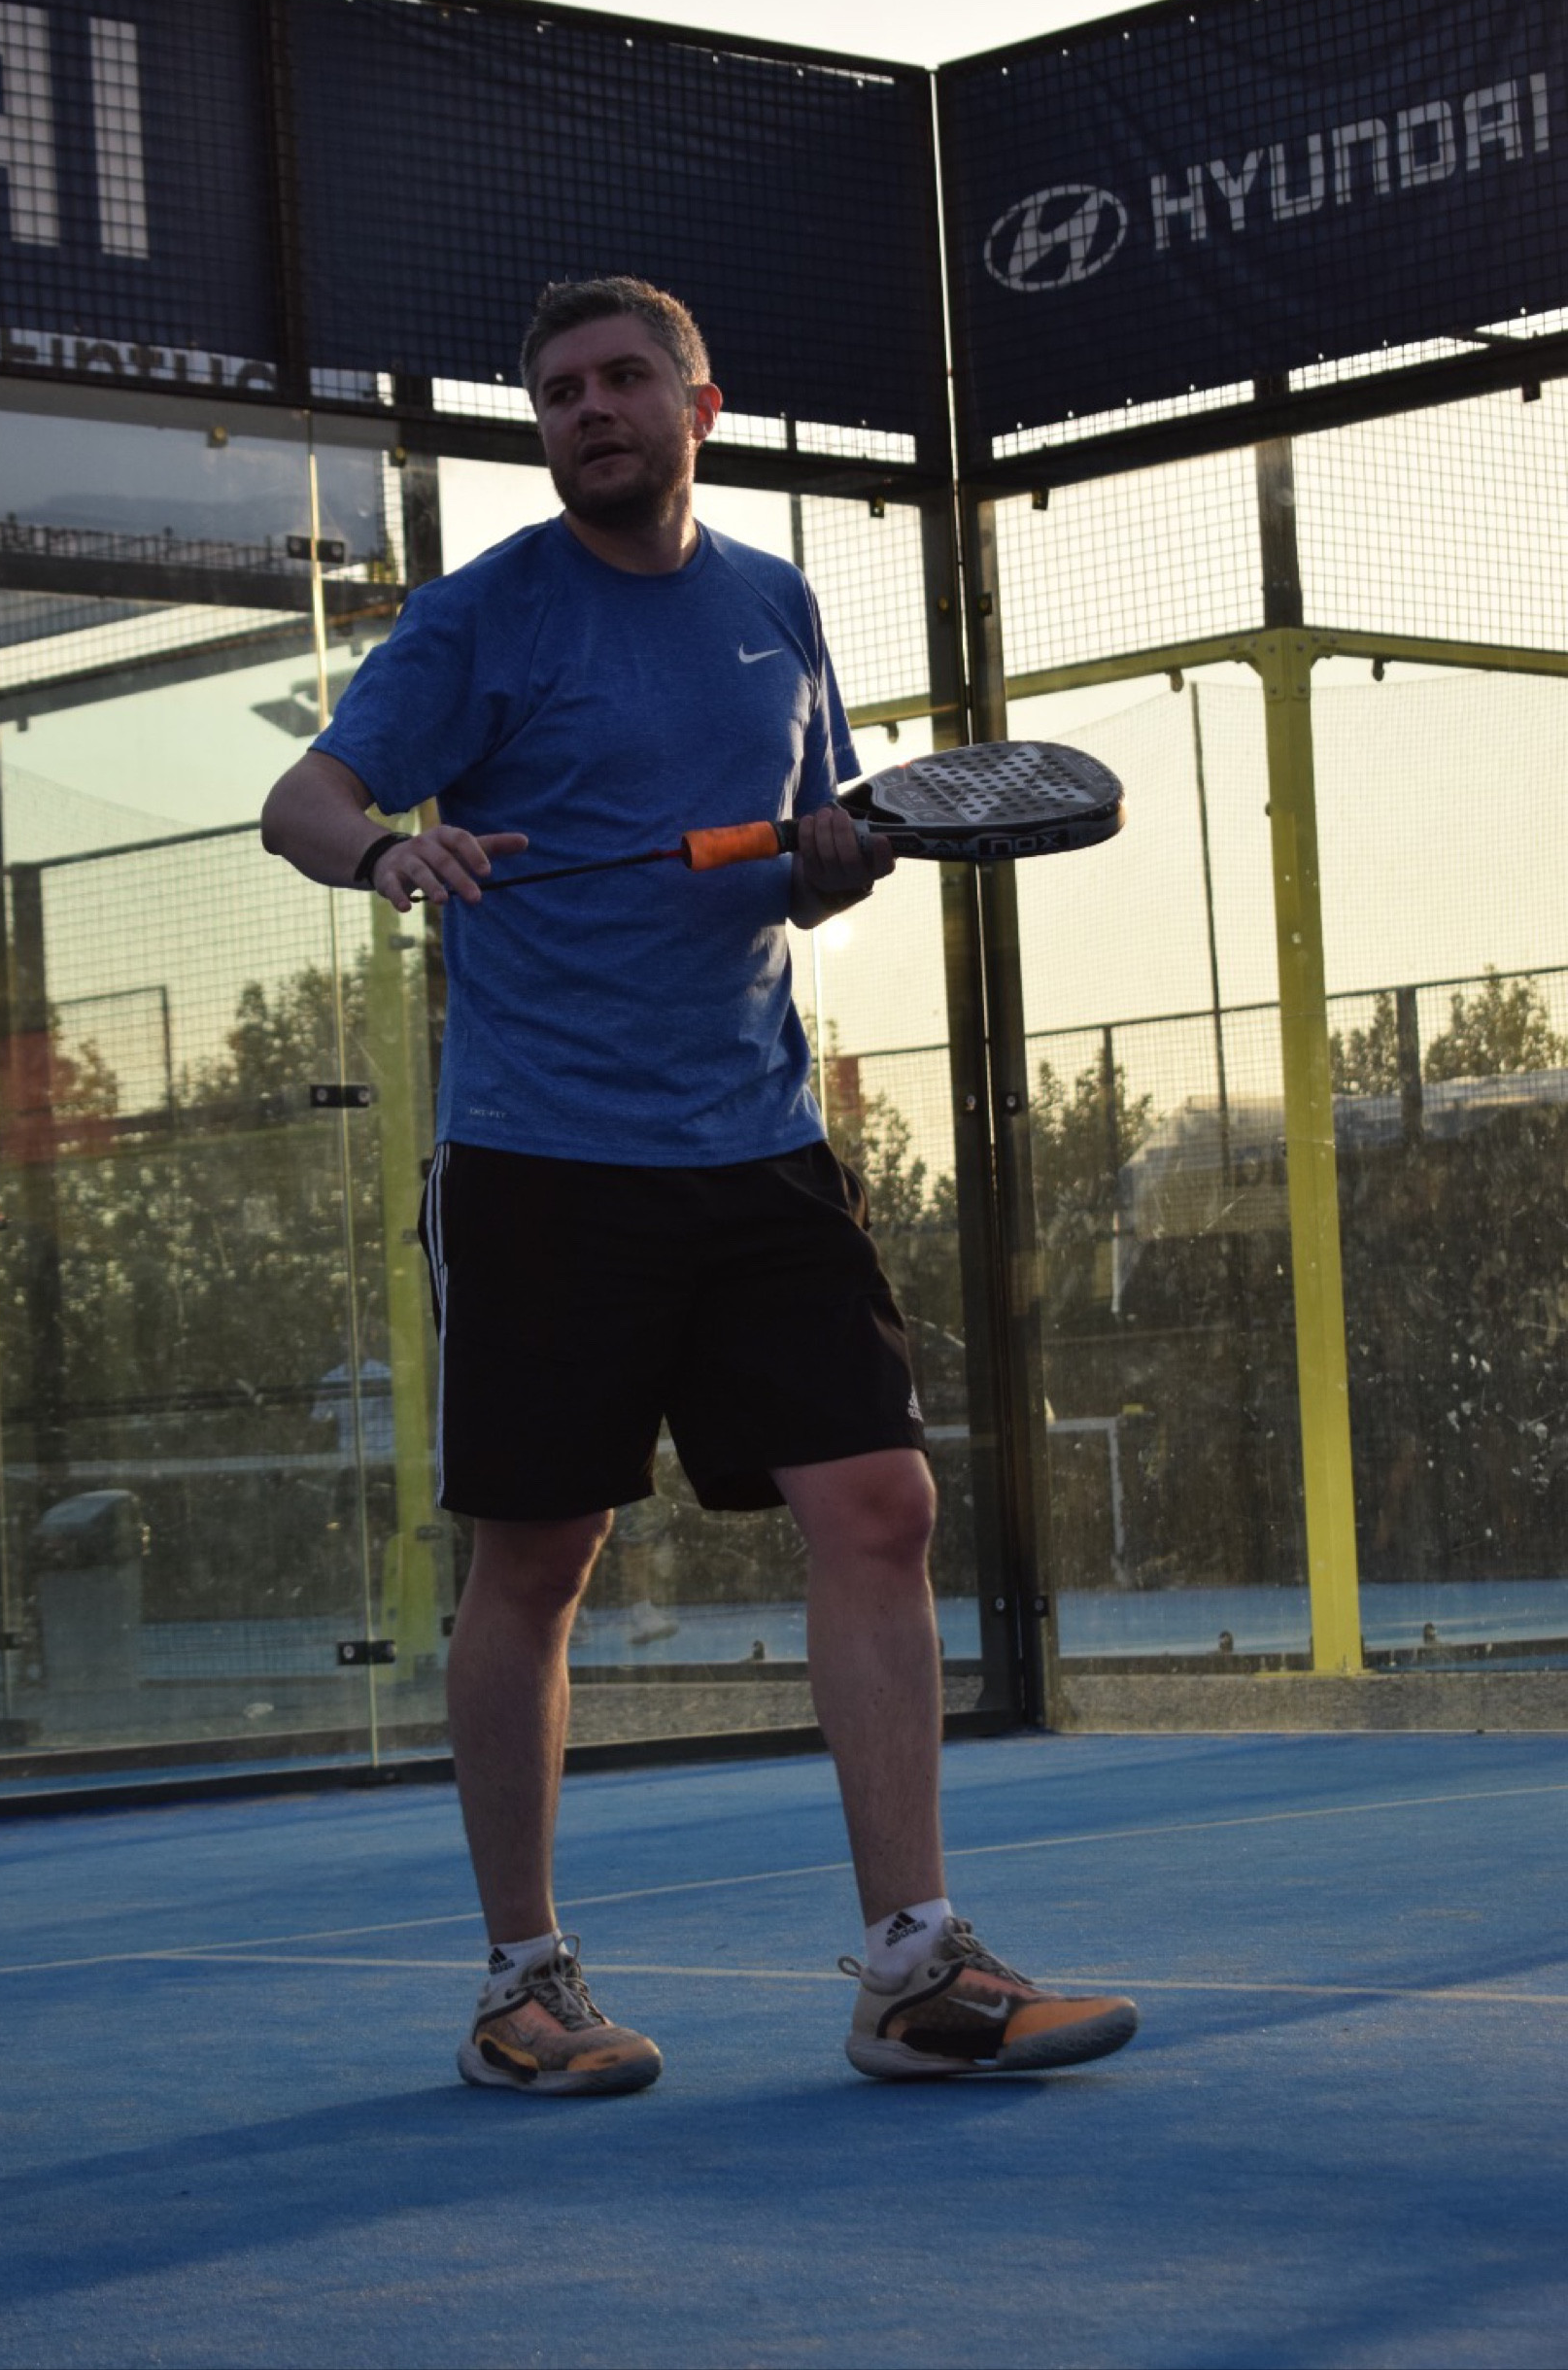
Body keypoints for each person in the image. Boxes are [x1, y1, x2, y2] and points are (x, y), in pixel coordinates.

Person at [261, 276, 1138, 2094]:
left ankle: (914, 1970)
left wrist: (831, 862)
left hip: (757, 1142)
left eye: (621, 379)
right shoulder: (482, 612)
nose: (588, 409)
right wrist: (390, 852)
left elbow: (808, 858)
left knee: (880, 1506)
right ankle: (523, 1986)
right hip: (539, 1161)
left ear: (698, 403)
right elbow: (307, 798)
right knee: (540, 1555)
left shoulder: (775, 605)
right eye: (558, 391)